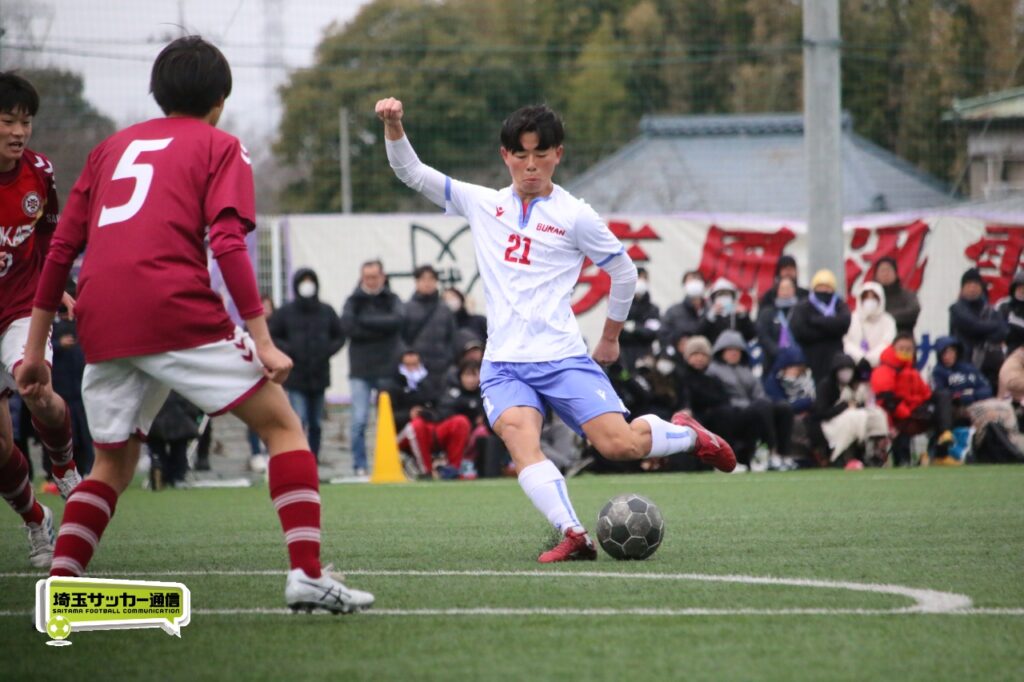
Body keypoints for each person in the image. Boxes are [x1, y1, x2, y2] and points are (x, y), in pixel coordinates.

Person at [18, 37, 372, 612]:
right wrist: (262, 340)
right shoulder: (220, 145)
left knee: (111, 465)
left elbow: (58, 251)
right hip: (174, 307)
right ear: (220, 100)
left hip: (102, 318)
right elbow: (228, 242)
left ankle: (61, 589)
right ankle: (307, 575)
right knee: (283, 427)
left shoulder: (109, 149)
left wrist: (35, 352)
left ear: (158, 94)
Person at [378, 96, 735, 561]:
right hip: (504, 364)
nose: (530, 165)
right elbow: (411, 172)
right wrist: (394, 125)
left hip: (562, 357)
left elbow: (624, 272)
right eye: (520, 154)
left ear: (558, 154)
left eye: (541, 154)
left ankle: (689, 434)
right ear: (505, 155)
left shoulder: (575, 215)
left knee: (619, 445)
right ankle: (574, 534)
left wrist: (609, 338)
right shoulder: (483, 203)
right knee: (520, 440)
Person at [0, 72, 82, 568]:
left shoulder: (40, 172)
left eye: (25, 122)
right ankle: (37, 521)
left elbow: (52, 236)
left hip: (23, 308)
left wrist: (60, 287)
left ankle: (66, 469)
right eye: (8, 120)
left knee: (36, 387)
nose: (18, 132)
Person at [270, 268, 345, 463]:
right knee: (299, 419)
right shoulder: (285, 312)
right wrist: (289, 351)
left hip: (319, 375)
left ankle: (313, 457)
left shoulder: (326, 311)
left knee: (316, 423)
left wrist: (326, 351)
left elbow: (340, 335)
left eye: (310, 281)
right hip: (295, 376)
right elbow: (273, 336)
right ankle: (300, 457)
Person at [340, 259, 405, 476]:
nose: (371, 281)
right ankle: (360, 466)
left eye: (374, 277)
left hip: (387, 369)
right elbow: (348, 327)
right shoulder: (353, 301)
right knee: (359, 420)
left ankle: (390, 462)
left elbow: (397, 321)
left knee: (387, 420)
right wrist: (381, 328)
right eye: (367, 277)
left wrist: (365, 321)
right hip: (360, 370)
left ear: (382, 277)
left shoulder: (392, 299)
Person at [707, 330, 794, 466]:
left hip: (755, 407)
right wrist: (752, 404)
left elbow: (759, 393)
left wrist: (759, 403)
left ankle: (783, 454)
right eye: (730, 349)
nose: (734, 353)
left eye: (737, 350)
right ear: (721, 351)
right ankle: (771, 451)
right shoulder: (713, 371)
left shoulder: (747, 371)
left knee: (784, 407)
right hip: (734, 411)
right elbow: (720, 397)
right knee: (762, 407)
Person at [871, 334, 953, 466]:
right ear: (893, 349)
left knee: (944, 402)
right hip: (896, 417)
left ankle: (942, 446)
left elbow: (926, 394)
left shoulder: (912, 371)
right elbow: (887, 399)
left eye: (909, 349)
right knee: (903, 425)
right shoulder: (884, 370)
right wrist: (907, 413)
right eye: (901, 348)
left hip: (914, 412)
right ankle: (904, 460)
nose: (905, 352)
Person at [393, 349, 471, 479]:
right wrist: (409, 415)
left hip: (431, 426)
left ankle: (452, 470)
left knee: (460, 422)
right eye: (408, 365)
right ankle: (426, 471)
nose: (412, 369)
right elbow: (388, 418)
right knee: (416, 425)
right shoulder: (392, 385)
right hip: (404, 431)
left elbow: (444, 405)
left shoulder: (431, 381)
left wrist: (429, 413)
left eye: (415, 364)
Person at [812, 353, 889, 466]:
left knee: (877, 414)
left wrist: (855, 405)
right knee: (854, 416)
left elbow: (861, 404)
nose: (846, 373)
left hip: (855, 419)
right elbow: (821, 412)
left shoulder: (855, 386)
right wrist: (844, 406)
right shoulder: (826, 386)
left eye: (849, 370)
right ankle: (840, 455)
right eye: (842, 370)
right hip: (830, 423)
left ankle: (876, 450)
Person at [949, 267, 1007, 391]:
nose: (972, 288)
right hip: (964, 362)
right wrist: (992, 326)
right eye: (968, 284)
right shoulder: (956, 309)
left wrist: (982, 330)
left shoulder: (990, 310)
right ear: (962, 288)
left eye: (975, 284)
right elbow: (973, 326)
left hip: (989, 364)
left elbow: (1003, 331)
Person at [790, 269, 851, 384]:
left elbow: (844, 324)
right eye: (820, 287)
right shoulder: (803, 306)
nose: (824, 291)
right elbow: (800, 330)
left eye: (827, 287)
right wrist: (831, 330)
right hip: (810, 358)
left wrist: (816, 321)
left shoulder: (839, 304)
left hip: (834, 357)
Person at [403, 264, 457, 378]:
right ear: (416, 282)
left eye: (431, 279)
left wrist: (448, 359)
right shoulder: (406, 309)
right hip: (416, 368)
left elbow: (452, 337)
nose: (427, 283)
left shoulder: (445, 309)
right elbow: (402, 338)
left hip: (442, 368)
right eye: (423, 279)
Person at [246, 292, 275, 473]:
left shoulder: (278, 326)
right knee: (255, 419)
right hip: (254, 378)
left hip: (274, 379)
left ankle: (272, 452)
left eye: (268, 306)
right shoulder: (246, 330)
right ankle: (256, 453)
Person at [843, 281, 897, 372]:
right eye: (866, 297)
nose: (870, 301)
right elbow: (846, 342)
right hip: (853, 366)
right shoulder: (851, 319)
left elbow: (888, 343)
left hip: (881, 366)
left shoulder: (888, 320)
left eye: (874, 297)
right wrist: (860, 357)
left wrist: (870, 359)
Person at [756, 275, 801, 381]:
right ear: (777, 291)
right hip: (772, 361)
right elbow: (763, 335)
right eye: (783, 288)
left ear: (794, 290)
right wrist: (777, 352)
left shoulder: (801, 311)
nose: (786, 292)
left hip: (797, 362)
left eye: (789, 288)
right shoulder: (768, 312)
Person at [618, 266, 662, 372]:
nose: (641, 281)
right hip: (624, 355)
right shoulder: (621, 305)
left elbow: (652, 333)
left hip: (646, 356)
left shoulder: (653, 309)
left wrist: (634, 328)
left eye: (644, 278)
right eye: (638, 278)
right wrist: (641, 329)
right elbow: (619, 332)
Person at [698, 277, 756, 345]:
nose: (724, 297)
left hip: (735, 348)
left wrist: (744, 317)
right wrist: (711, 316)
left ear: (732, 298)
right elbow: (699, 333)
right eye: (720, 294)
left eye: (727, 294)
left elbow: (751, 335)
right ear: (714, 298)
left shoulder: (739, 316)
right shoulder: (709, 315)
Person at [659, 270, 706, 352]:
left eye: (697, 279)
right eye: (690, 280)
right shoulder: (673, 311)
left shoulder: (710, 311)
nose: (694, 283)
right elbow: (663, 334)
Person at [873, 257, 921, 335]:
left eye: (888, 270)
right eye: (882, 270)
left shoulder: (907, 295)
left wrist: (885, 318)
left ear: (895, 273)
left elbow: (914, 310)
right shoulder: (872, 296)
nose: (885, 274)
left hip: (902, 336)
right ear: (876, 275)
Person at [997, 269, 1024, 355]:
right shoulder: (1004, 306)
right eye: (1019, 287)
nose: (1022, 291)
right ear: (1013, 288)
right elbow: (998, 329)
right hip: (1008, 351)